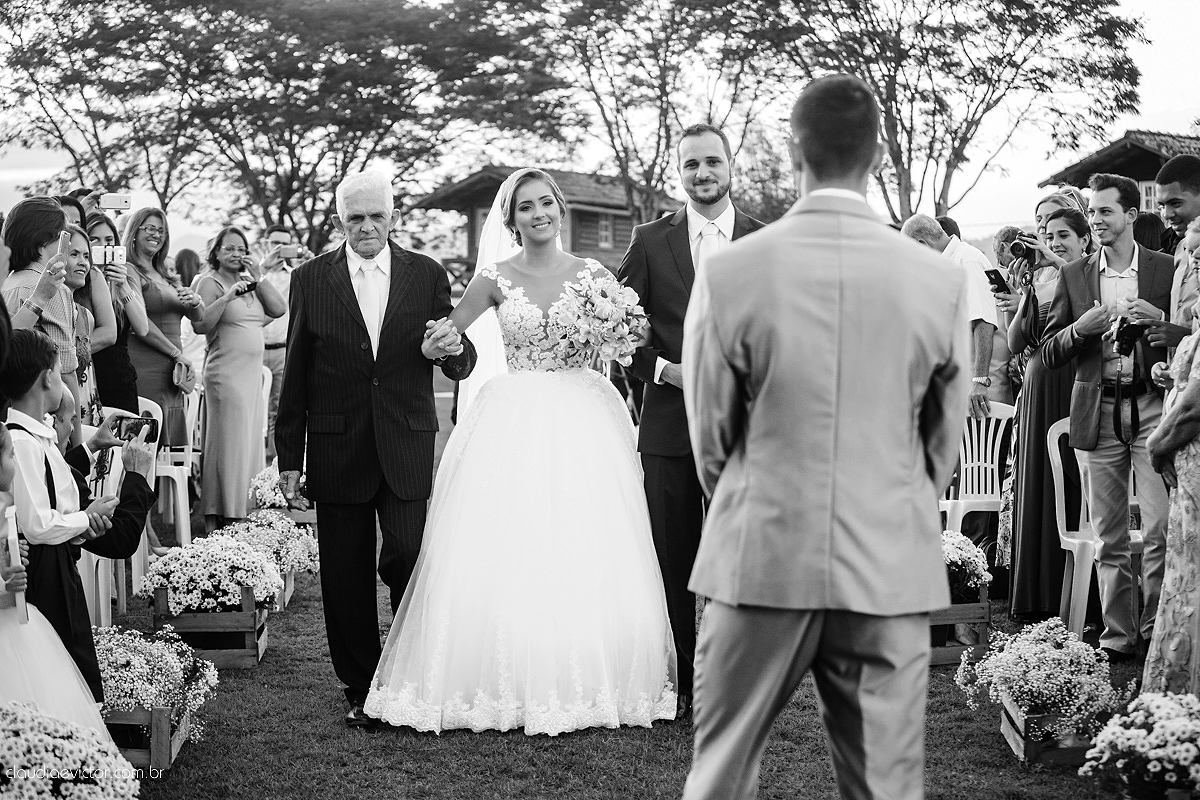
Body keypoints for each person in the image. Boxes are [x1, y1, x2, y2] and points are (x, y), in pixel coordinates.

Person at [680, 74, 970, 800]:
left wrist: (752, 496)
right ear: (874, 154)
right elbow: (943, 441)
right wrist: (894, 501)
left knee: (720, 776)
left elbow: (710, 436)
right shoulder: (935, 279)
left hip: (760, 552)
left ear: (794, 146)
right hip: (886, 562)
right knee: (886, 789)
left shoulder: (730, 270)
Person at [363, 167, 676, 736]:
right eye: (526, 207)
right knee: (514, 536)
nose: (538, 214)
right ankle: (504, 674)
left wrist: (616, 335)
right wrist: (438, 340)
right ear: (511, 219)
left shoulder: (593, 275)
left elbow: (630, 340)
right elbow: (449, 334)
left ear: (560, 210)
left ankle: (586, 668)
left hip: (585, 414)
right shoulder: (493, 279)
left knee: (585, 536)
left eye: (546, 204)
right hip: (514, 415)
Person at [275, 171, 478, 728]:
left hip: (406, 441)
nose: (366, 227)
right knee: (345, 573)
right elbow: (296, 372)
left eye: (376, 217)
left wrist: (452, 352)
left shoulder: (427, 274)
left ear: (393, 217)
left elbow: (460, 358)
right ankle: (362, 687)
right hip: (338, 446)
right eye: (355, 218)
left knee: (408, 555)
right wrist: (289, 457)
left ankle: (411, 672)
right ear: (340, 220)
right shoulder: (311, 279)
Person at [617, 124, 764, 718]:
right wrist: (665, 373)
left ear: (731, 167)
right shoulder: (651, 242)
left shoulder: (763, 240)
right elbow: (620, 331)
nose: (702, 174)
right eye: (691, 165)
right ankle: (680, 683)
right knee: (673, 560)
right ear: (678, 172)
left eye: (712, 163)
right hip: (670, 429)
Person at [1042, 172, 1175, 662]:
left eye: (1104, 212)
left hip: (1151, 408)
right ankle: (1118, 638)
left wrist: (1159, 321)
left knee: (1160, 528)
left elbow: (1187, 332)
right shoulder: (1075, 275)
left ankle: (1158, 631)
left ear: (1131, 216)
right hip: (1097, 411)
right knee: (1109, 536)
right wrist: (1080, 329)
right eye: (1092, 212)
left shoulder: (1164, 268)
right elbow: (1050, 351)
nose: (1095, 219)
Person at [2, 329, 157, 700]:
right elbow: (37, 523)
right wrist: (86, 520)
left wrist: (84, 520)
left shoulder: (37, 436)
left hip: (60, 564)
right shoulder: (21, 441)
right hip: (43, 571)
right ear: (47, 378)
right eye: (59, 370)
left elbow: (59, 494)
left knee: (76, 663)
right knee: (61, 668)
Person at [995, 201, 1091, 619]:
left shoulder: (1090, 273)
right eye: (1048, 236)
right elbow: (1017, 341)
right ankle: (1038, 595)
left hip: (1071, 379)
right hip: (1037, 387)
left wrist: (1059, 266)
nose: (1053, 243)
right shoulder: (1043, 276)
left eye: (1063, 236)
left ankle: (1081, 594)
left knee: (1070, 482)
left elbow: (1087, 317)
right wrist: (1029, 289)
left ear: (1084, 239)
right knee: (1039, 485)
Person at [0, 427, 114, 741]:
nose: (16, 460)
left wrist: (12, 553)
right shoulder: (24, 444)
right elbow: (36, 528)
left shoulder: (6, 505)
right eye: (10, 456)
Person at [191, 225, 285, 531]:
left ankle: (242, 509)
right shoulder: (209, 281)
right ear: (216, 252)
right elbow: (201, 324)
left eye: (241, 249)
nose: (236, 254)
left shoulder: (250, 281)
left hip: (249, 378)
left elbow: (279, 309)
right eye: (229, 248)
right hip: (224, 375)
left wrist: (258, 276)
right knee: (226, 445)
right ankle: (218, 514)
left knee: (246, 443)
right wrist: (229, 296)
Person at [1145, 219, 1200, 692]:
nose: (1194, 270)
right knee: (1184, 577)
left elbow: (1198, 404)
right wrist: (1171, 374)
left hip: (1192, 460)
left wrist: (1157, 444)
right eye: (1191, 261)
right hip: (1185, 468)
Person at [125, 207, 205, 447]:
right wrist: (176, 353)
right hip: (146, 368)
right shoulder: (131, 271)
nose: (156, 234)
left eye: (161, 230)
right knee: (143, 446)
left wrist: (195, 302)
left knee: (159, 452)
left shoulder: (164, 274)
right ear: (134, 232)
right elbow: (141, 323)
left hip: (172, 374)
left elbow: (199, 319)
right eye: (150, 228)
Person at [1, 197, 80, 411]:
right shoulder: (52, 287)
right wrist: (79, 440)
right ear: (45, 239)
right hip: (44, 412)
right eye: (65, 234)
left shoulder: (8, 282)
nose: (70, 243)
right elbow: (66, 371)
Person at [85, 211, 149, 414]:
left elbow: (142, 328)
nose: (103, 245)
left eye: (109, 240)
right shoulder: (78, 281)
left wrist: (123, 288)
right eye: (94, 239)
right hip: (87, 378)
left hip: (119, 379)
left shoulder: (125, 274)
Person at [259, 224, 307, 463]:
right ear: (265, 243)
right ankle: (254, 460)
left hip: (282, 349)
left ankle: (274, 464)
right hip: (255, 349)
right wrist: (263, 268)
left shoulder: (297, 274)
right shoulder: (256, 272)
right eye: (275, 244)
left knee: (279, 409)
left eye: (285, 244)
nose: (280, 249)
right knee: (256, 409)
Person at [62, 224, 118, 426]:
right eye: (74, 254)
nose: (83, 263)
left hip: (86, 400)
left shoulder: (85, 315)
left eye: (86, 256)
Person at [1145, 155, 1200, 354]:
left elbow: (1185, 332)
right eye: (1161, 206)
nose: (1166, 215)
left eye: (1175, 203)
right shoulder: (1180, 249)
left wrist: (1184, 337)